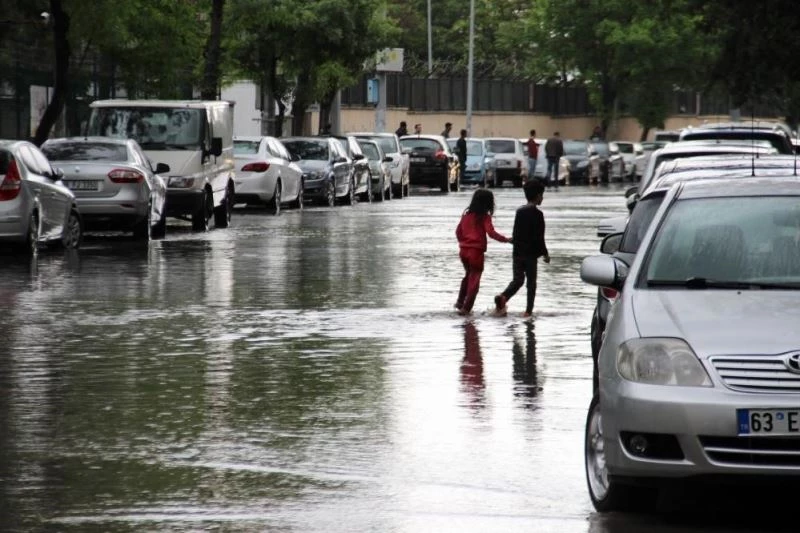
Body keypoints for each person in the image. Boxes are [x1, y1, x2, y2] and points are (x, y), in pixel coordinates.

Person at [494, 180, 550, 318]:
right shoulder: (538, 214)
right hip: (531, 255)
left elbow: (516, 233)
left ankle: (503, 297)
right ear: (537, 196)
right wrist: (545, 254)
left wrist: (514, 242)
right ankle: (528, 311)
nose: (542, 198)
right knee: (531, 284)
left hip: (518, 253)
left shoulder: (519, 211)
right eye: (542, 195)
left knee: (518, 280)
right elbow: (539, 237)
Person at [454, 189, 511, 315]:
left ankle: (459, 302)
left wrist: (463, 243)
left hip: (463, 251)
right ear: (488, 204)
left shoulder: (466, 216)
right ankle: (466, 309)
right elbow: (491, 233)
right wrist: (506, 240)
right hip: (476, 252)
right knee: (475, 279)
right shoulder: (485, 217)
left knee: (468, 275)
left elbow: (458, 232)